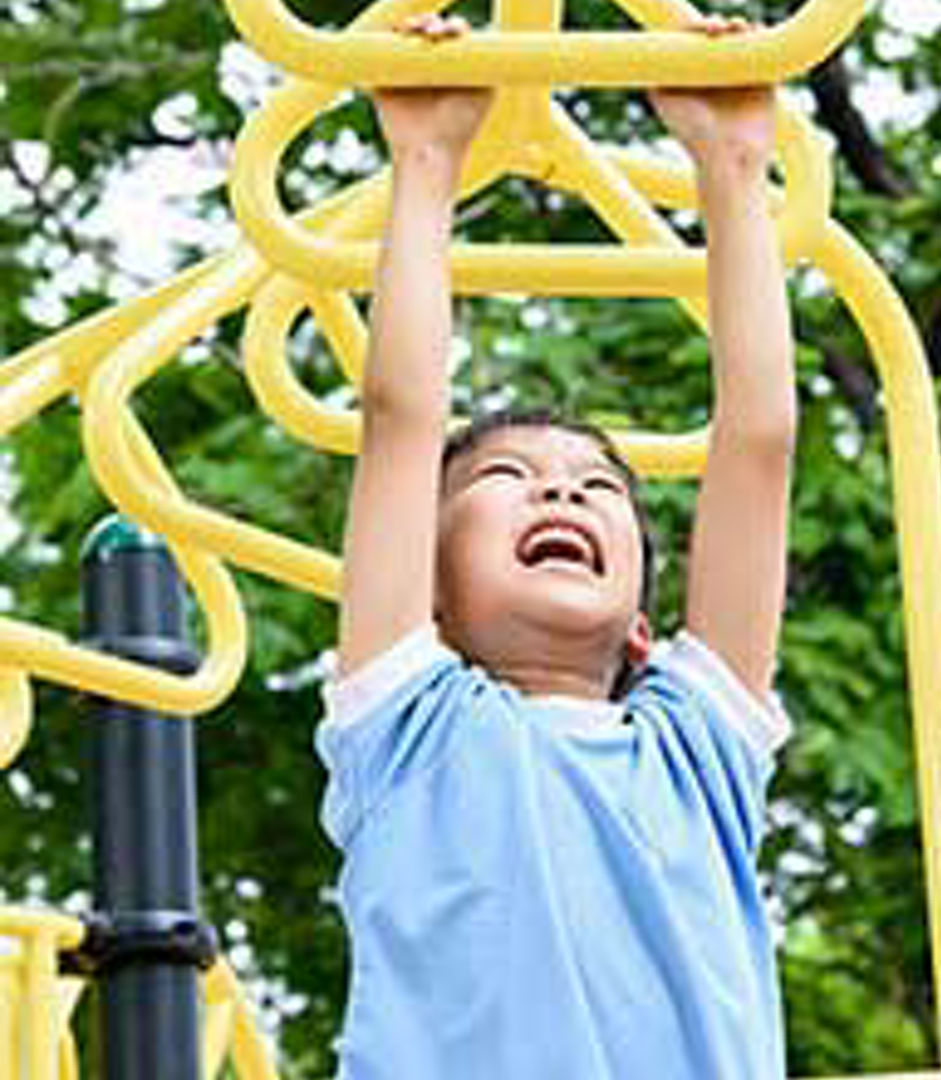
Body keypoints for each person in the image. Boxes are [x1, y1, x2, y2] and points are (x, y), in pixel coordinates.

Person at [316, 11, 797, 1079]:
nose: (560, 492)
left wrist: (733, 165)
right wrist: (427, 163)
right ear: (429, 598)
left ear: (641, 626)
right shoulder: (411, 730)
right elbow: (400, 417)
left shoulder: (695, 752)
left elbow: (757, 443)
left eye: (595, 488)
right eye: (505, 478)